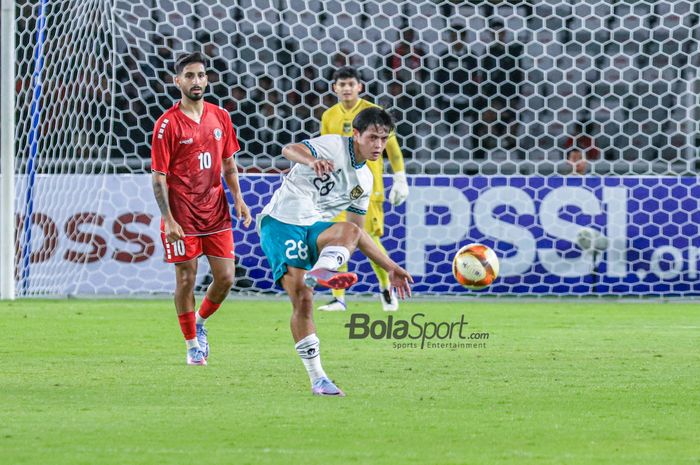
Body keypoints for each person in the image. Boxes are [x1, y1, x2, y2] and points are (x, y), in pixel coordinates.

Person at [258, 107, 413, 396]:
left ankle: (324, 269)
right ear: (356, 134)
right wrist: (313, 159)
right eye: (373, 138)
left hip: (314, 227)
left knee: (352, 231)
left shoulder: (365, 180)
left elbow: (357, 235)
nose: (378, 145)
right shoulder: (333, 145)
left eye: (384, 139)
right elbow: (289, 149)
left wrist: (391, 266)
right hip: (282, 223)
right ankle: (318, 378)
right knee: (303, 299)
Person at [151, 52, 252, 366]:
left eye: (201, 75)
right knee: (186, 279)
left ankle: (201, 321)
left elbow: (229, 164)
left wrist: (238, 198)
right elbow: (159, 177)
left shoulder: (220, 116)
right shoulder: (167, 124)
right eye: (190, 76)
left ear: (207, 79)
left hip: (216, 211)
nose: (197, 81)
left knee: (225, 277)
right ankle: (192, 344)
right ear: (177, 81)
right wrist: (168, 219)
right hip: (182, 216)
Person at [317, 66, 409, 312]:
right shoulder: (328, 116)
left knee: (370, 240)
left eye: (351, 84)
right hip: (339, 188)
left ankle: (386, 288)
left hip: (369, 186)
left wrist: (400, 178)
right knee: (337, 237)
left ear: (360, 87)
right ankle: (338, 298)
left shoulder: (374, 114)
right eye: (342, 84)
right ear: (334, 88)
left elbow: (393, 150)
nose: (346, 88)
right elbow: (327, 149)